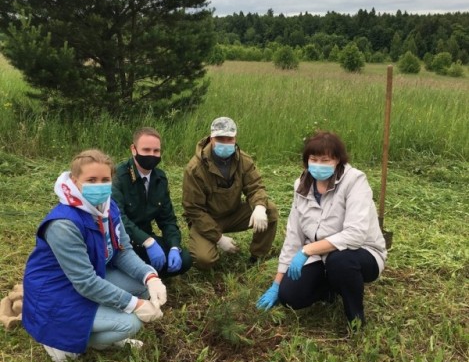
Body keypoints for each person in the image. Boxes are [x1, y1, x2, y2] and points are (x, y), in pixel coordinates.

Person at [22, 149, 168, 362]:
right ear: (74, 181)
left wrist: (150, 277)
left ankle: (98, 334)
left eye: (104, 180)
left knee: (143, 286)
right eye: (91, 180)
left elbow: (123, 251)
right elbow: (85, 282)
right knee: (130, 323)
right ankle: (66, 342)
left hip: (90, 277)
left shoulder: (109, 207)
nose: (99, 186)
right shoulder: (64, 224)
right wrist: (135, 304)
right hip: (57, 293)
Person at [257, 131, 387, 327]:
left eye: (325, 160)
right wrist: (277, 283)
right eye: (314, 159)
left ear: (337, 160)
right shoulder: (302, 185)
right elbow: (294, 235)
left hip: (361, 252)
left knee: (340, 261)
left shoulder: (354, 181)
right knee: (290, 295)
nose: (319, 164)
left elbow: (355, 235)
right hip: (320, 255)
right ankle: (329, 290)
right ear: (306, 161)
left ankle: (355, 319)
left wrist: (307, 250)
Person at [182, 116, 278, 269]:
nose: (225, 143)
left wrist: (259, 206)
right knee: (204, 259)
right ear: (211, 139)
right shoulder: (195, 168)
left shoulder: (243, 160)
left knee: (269, 210)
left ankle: (257, 257)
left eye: (229, 139)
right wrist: (219, 239)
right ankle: (208, 242)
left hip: (233, 214)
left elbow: (255, 187)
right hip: (206, 219)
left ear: (235, 139)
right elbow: (193, 209)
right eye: (220, 139)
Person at [112, 127, 192, 277]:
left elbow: (167, 219)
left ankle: (145, 274)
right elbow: (118, 218)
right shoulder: (118, 177)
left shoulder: (159, 178)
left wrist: (174, 247)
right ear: (133, 149)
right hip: (121, 244)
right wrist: (147, 241)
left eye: (156, 151)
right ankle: (137, 275)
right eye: (146, 150)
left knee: (185, 259)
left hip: (146, 243)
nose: (152, 155)